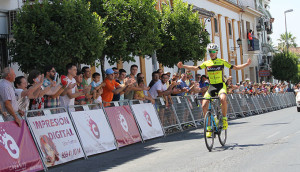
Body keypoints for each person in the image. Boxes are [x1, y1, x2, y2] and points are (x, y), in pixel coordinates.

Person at [177, 43, 251, 137]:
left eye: (213, 52)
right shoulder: (207, 63)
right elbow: (195, 68)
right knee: (204, 105)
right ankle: (208, 127)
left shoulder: (222, 61)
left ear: (216, 52)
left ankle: (224, 119)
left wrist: (246, 64)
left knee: (223, 99)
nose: (211, 53)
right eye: (209, 52)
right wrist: (183, 66)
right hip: (212, 86)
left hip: (221, 85)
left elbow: (235, 67)